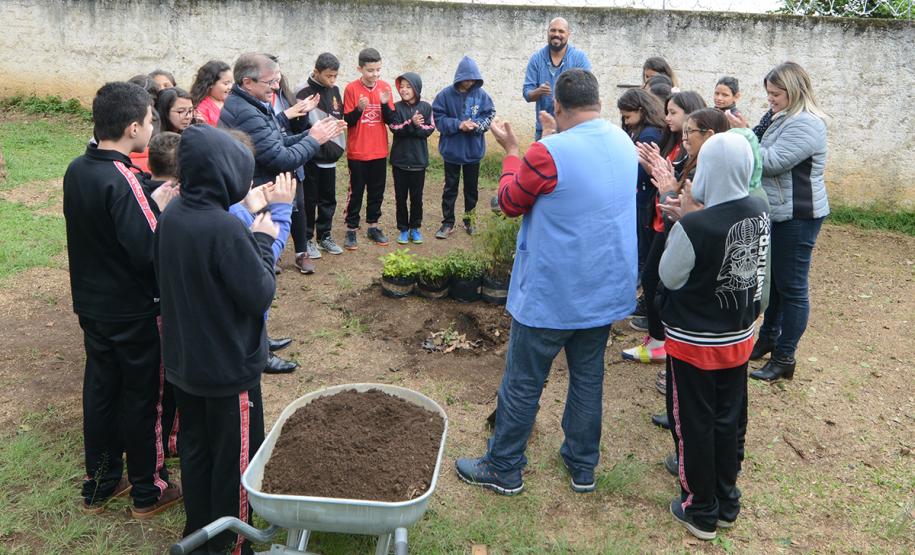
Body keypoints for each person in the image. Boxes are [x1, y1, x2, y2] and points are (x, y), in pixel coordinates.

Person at [455, 69, 637, 496]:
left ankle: (503, 467)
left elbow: (509, 202)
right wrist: (551, 139)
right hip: (603, 287)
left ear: (556, 106)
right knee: (588, 378)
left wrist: (513, 151)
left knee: (523, 380)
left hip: (553, 293)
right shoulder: (622, 143)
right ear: (598, 102)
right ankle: (582, 465)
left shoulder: (546, 153)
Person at [157, 125, 282, 555]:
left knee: (197, 448)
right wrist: (263, 243)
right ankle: (232, 543)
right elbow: (259, 294)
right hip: (228, 372)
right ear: (223, 174)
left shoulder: (173, 215)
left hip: (186, 364)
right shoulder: (225, 229)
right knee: (235, 459)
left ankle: (200, 531)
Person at [63, 81, 181, 518]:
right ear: (134, 128)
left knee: (100, 389)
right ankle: (149, 490)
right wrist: (162, 211)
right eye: (151, 121)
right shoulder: (122, 178)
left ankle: (100, 483)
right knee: (143, 396)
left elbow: (107, 227)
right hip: (134, 311)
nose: (153, 128)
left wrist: (149, 200)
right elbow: (147, 248)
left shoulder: (78, 169)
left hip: (92, 306)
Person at [658, 132, 769, 541]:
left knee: (694, 423)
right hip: (738, 337)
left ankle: (700, 509)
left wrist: (681, 222)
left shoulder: (696, 225)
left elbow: (669, 276)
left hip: (694, 343)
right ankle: (727, 499)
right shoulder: (759, 208)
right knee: (728, 418)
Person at [218, 52, 344, 374]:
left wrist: (315, 135)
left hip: (261, 194)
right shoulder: (245, 110)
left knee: (262, 271)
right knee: (258, 275)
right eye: (270, 82)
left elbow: (280, 139)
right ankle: (256, 352)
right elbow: (278, 157)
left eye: (277, 80)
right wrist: (314, 140)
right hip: (257, 198)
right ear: (247, 82)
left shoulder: (253, 104)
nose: (276, 87)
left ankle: (259, 337)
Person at [728, 62, 829, 382]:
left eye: (776, 93)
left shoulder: (807, 124)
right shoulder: (780, 117)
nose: (770, 99)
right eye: (769, 93)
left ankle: (785, 356)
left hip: (799, 214)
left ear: (794, 91)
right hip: (779, 211)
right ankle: (769, 339)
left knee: (793, 287)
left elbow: (770, 162)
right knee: (775, 284)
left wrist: (743, 131)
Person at [622, 91, 706, 360]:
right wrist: (655, 167)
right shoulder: (673, 141)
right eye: (667, 111)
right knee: (653, 277)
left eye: (673, 112)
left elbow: (679, 184)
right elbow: (667, 178)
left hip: (673, 220)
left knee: (657, 279)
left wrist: (663, 175)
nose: (667, 117)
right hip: (662, 217)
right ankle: (659, 339)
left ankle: (662, 342)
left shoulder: (696, 151)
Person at [266, 54, 319, 274]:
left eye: (278, 76)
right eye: (272, 78)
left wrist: (304, 114)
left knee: (298, 205)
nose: (276, 82)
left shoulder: (284, 96)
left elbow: (296, 129)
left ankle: (301, 252)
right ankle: (271, 253)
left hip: (291, 157)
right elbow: (269, 132)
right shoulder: (253, 104)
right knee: (270, 207)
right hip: (270, 162)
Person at [432, 55, 495, 238]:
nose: (469, 82)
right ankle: (447, 223)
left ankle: (470, 221)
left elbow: (489, 114)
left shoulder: (481, 95)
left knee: (471, 189)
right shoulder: (445, 95)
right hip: (452, 151)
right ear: (459, 77)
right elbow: (439, 119)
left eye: (472, 79)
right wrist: (459, 125)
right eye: (466, 79)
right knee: (450, 188)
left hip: (473, 151)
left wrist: (477, 126)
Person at [292, 53, 346, 259]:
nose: (332, 80)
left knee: (328, 198)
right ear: (316, 71)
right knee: (309, 199)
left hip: (332, 154)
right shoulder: (301, 91)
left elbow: (337, 115)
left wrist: (339, 125)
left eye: (335, 76)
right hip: (311, 154)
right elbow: (296, 124)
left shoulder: (335, 90)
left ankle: (325, 235)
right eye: (328, 76)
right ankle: (307, 238)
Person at [342, 47, 395, 249]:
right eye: (370, 70)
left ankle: (373, 225)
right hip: (358, 151)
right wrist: (359, 109)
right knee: (356, 192)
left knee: (377, 191)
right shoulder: (351, 89)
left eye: (378, 70)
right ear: (360, 69)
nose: (375, 74)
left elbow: (391, 120)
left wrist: (383, 104)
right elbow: (348, 121)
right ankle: (351, 229)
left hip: (379, 150)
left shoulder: (385, 88)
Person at [617, 88, 666, 279]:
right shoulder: (643, 131)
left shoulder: (648, 135)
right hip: (643, 198)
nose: (626, 122)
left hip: (644, 199)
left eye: (628, 116)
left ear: (640, 110)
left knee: (643, 249)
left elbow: (641, 173)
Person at [522, 17, 591, 140]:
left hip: (572, 129)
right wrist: (538, 91)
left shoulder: (579, 58)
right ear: (547, 32)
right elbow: (527, 94)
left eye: (561, 31)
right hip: (544, 129)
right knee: (543, 160)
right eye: (553, 30)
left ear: (568, 34)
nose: (556, 34)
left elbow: (587, 92)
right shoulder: (536, 59)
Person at [388, 72, 435, 244]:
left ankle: (415, 228)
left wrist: (416, 127)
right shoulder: (395, 107)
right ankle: (403, 229)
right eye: (402, 86)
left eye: (408, 86)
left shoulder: (426, 107)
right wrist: (411, 123)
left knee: (417, 198)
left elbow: (429, 130)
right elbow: (395, 128)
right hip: (399, 162)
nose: (404, 90)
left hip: (418, 162)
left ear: (416, 88)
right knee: (400, 198)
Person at [190, 60, 233, 127]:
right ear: (211, 84)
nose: (230, 87)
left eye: (231, 83)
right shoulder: (201, 109)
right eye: (226, 83)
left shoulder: (232, 101)